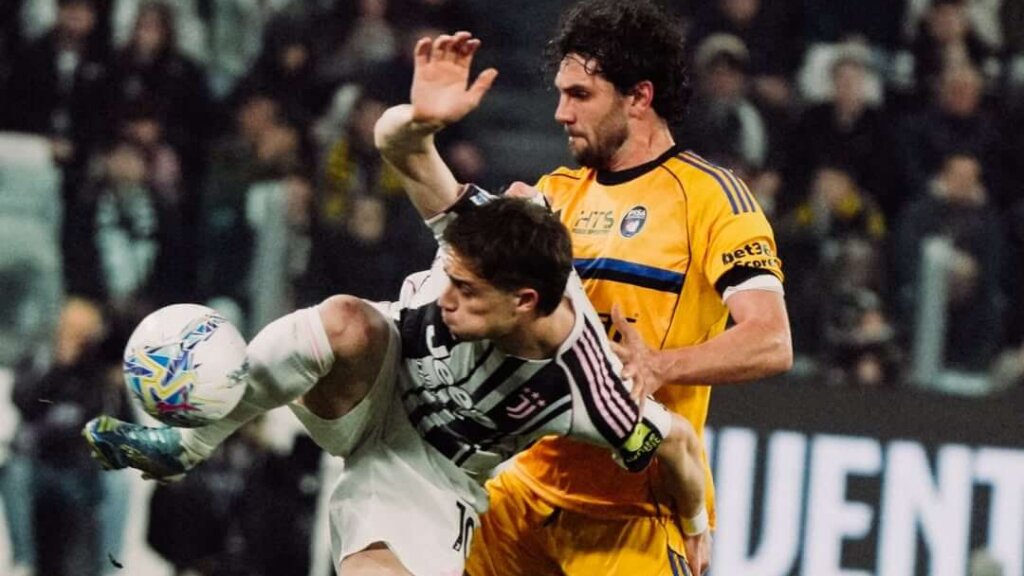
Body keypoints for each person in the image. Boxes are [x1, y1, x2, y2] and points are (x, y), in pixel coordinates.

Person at [82, 33, 709, 576]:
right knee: (346, 320)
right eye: (449, 279)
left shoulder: (586, 385)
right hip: (371, 377)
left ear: (524, 301)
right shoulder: (477, 228)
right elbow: (396, 144)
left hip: (428, 468)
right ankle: (186, 447)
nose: (446, 300)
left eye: (466, 291)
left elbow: (678, 445)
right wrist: (421, 120)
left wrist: (696, 524)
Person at [384, 3, 791, 575]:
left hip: (635, 512)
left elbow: (771, 340)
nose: (561, 112)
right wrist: (417, 130)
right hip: (522, 493)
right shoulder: (551, 195)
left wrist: (661, 365)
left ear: (639, 97)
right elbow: (447, 216)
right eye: (560, 94)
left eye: (580, 95)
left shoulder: (712, 199)